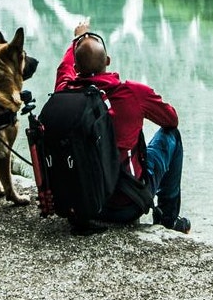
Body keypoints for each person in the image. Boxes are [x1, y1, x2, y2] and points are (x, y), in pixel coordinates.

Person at [54, 22, 190, 233]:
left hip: (85, 204)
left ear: (76, 69)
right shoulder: (133, 93)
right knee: (172, 136)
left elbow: (64, 69)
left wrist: (77, 39)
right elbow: (171, 120)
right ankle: (168, 218)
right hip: (126, 205)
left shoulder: (65, 91)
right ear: (107, 61)